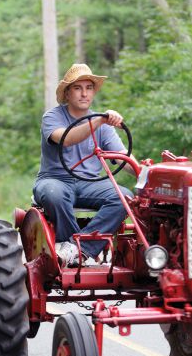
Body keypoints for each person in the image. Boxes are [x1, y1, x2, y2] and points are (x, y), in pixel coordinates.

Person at [33, 63, 138, 267]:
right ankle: (70, 246)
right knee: (54, 194)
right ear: (67, 93)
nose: (84, 94)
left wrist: (146, 173)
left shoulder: (102, 125)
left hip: (89, 183)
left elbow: (122, 158)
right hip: (55, 180)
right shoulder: (52, 117)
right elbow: (66, 138)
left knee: (124, 197)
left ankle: (78, 250)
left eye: (89, 88)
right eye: (77, 88)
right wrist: (98, 121)